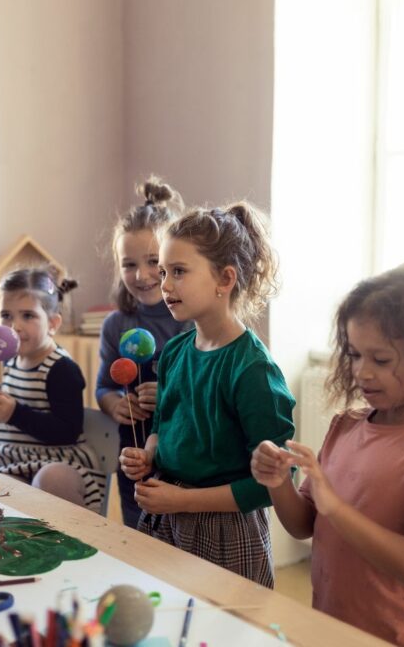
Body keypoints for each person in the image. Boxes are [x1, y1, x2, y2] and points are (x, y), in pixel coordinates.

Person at [251, 262, 404, 646]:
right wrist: (278, 482)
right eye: (354, 355)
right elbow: (304, 525)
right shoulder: (346, 426)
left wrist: (336, 508)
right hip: (331, 628)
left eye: (381, 360)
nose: (362, 373)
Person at [119, 203, 295, 587]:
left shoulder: (253, 371)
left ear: (225, 279)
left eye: (178, 272)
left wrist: (181, 501)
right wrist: (147, 454)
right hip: (167, 520)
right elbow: (162, 427)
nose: (163, 284)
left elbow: (269, 484)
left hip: (225, 535)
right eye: (164, 272)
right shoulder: (176, 353)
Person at [0, 266, 106, 511]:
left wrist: (15, 414)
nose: (15, 326)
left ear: (53, 323)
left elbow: (67, 430)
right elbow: (14, 389)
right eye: (6, 315)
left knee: (51, 479)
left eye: (28, 315)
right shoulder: (11, 360)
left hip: (57, 462)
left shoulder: (61, 369)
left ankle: (64, 544)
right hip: (15, 464)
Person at [95, 176, 188, 529]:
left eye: (154, 262)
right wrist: (114, 403)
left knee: (174, 533)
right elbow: (103, 387)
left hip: (176, 451)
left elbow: (202, 396)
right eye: (128, 264)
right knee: (138, 525)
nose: (142, 275)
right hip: (132, 451)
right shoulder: (116, 325)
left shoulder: (188, 323)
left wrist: (166, 393)